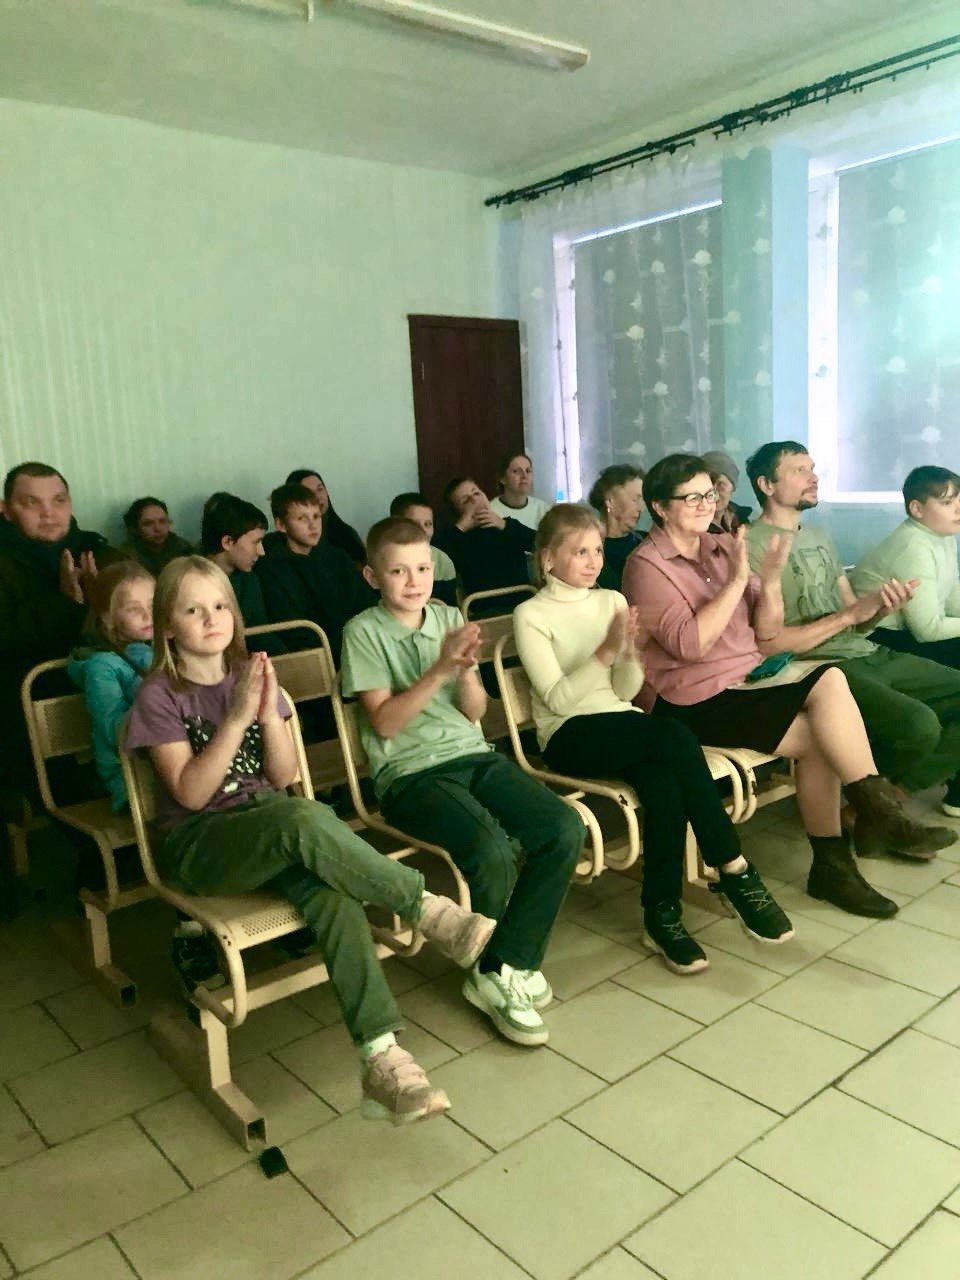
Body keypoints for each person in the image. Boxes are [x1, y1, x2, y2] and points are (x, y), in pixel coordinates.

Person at [125, 556, 496, 1124]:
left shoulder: (248, 673)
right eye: (193, 610)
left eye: (220, 605)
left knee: (331, 890)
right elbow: (192, 795)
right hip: (200, 844)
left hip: (271, 823)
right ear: (168, 626)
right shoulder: (159, 695)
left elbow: (280, 776)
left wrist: (267, 714)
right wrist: (236, 718)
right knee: (303, 817)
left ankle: (382, 1058)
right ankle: (426, 908)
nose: (212, 619)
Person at [624, 453, 952, 918]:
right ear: (659, 507)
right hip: (693, 699)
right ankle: (878, 816)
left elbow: (767, 630)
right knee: (830, 680)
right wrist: (738, 581)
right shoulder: (646, 565)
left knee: (822, 735)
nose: (705, 504)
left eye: (709, 494)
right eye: (691, 497)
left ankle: (835, 864)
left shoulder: (721, 545)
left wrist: (772, 580)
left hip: (747, 682)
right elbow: (690, 645)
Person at [514, 504, 792, 974]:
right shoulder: (531, 613)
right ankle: (732, 866)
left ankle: (661, 915)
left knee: (664, 783)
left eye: (597, 550)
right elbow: (558, 699)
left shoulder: (611, 601)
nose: (593, 561)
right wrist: (606, 652)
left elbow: (624, 692)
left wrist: (627, 655)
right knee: (674, 735)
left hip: (619, 722)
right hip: (567, 734)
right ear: (547, 559)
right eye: (580, 552)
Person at [342, 517, 584, 1046]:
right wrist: (438, 669)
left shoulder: (449, 616)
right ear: (372, 577)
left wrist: (468, 670)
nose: (414, 581)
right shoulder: (362, 631)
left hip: (472, 754)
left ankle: (500, 963)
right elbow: (385, 724)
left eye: (423, 568)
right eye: (398, 571)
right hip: (409, 774)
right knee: (491, 849)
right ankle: (502, 971)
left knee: (564, 827)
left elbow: (474, 712)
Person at [745, 442, 960, 822]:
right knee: (919, 725)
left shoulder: (819, 536)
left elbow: (854, 617)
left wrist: (879, 609)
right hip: (814, 666)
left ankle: (882, 802)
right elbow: (767, 642)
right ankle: (877, 807)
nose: (813, 477)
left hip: (863, 649)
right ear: (766, 484)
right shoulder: (748, 544)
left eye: (812, 468)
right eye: (799, 470)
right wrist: (850, 617)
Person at [0, 462, 119, 800]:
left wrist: (106, 600)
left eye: (58, 500)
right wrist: (65, 604)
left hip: (102, 688)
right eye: (31, 503)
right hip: (25, 698)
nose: (48, 513)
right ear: (6, 510)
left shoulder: (96, 551)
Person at [851, 466, 960, 672]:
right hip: (882, 638)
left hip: (913, 632)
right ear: (917, 509)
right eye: (947, 503)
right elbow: (927, 631)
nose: (959, 509)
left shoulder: (943, 536)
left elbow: (952, 599)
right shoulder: (913, 547)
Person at [67, 561, 155, 812]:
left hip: (170, 765)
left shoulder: (158, 650)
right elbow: (114, 730)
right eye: (134, 609)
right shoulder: (101, 667)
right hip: (131, 781)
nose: (148, 615)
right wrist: (162, 705)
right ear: (108, 618)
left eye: (152, 605)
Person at [256, 483, 376, 664]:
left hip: (357, 644)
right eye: (302, 518)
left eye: (316, 516)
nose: (313, 525)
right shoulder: (269, 569)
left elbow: (366, 603)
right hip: (312, 656)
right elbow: (288, 627)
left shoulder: (337, 558)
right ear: (281, 525)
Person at [434, 476, 535, 615]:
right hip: (485, 610)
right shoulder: (457, 538)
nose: (474, 500)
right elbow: (435, 557)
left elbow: (540, 543)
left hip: (523, 604)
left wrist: (504, 525)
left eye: (476, 493)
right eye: (466, 500)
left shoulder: (508, 525)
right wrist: (461, 526)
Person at [201, 493, 285, 655]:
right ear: (227, 542)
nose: (261, 551)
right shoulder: (190, 583)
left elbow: (261, 635)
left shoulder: (248, 579)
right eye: (256, 542)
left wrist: (292, 659)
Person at [285, 469, 366, 567]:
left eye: (320, 489)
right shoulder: (278, 546)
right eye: (309, 492)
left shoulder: (346, 534)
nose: (318, 497)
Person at [389, 492, 458, 606]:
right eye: (414, 524)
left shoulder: (442, 560)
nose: (423, 531)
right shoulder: (383, 560)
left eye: (428, 524)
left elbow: (450, 608)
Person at [587, 465, 645, 591]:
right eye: (635, 500)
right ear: (610, 501)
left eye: (642, 501)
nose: (641, 508)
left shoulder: (647, 541)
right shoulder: (587, 548)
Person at [120, 498, 193, 576]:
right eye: (148, 523)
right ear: (135, 528)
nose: (158, 528)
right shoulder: (125, 556)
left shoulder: (184, 549)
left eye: (162, 521)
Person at [489, 452, 550, 531]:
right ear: (503, 479)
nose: (524, 476)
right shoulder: (492, 511)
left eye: (528, 471)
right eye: (516, 471)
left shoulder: (543, 509)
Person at [702, 450, 751, 535]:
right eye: (707, 484)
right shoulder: (696, 527)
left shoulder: (744, 518)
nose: (712, 493)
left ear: (733, 487)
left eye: (720, 484)